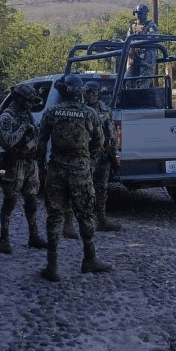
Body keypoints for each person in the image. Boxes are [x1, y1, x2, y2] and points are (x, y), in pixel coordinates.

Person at [36, 74, 111, 281]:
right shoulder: (89, 113)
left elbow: (41, 142)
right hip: (81, 169)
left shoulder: (51, 112)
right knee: (85, 214)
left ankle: (52, 265)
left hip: (56, 169)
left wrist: (41, 167)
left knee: (55, 216)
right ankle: (90, 259)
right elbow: (99, 141)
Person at [0, 83, 49, 254]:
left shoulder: (27, 114)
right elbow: (8, 142)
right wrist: (23, 128)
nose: (30, 105)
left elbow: (35, 136)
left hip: (30, 163)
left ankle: (33, 235)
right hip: (15, 163)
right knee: (10, 201)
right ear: (19, 98)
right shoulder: (6, 117)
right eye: (28, 101)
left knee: (32, 200)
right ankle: (4, 238)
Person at [83, 81, 122, 232]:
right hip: (86, 155)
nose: (92, 96)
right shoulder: (81, 110)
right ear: (84, 94)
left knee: (102, 189)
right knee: (85, 189)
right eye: (89, 93)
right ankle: (85, 221)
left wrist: (115, 154)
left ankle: (102, 220)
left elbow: (111, 133)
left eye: (94, 94)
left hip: (103, 156)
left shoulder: (105, 110)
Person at [125, 4, 158, 88]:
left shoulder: (150, 26)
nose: (139, 15)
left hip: (146, 60)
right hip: (133, 59)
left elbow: (153, 38)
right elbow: (128, 40)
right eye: (137, 13)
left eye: (141, 13)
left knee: (143, 84)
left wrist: (141, 38)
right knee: (127, 82)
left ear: (145, 14)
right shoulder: (132, 27)